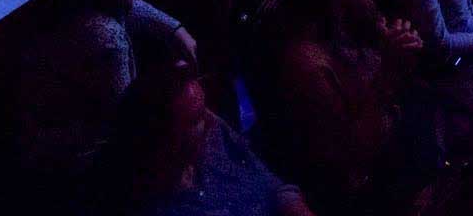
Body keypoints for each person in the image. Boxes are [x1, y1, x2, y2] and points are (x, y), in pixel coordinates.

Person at [19, 0, 198, 178]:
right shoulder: (107, 37)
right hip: (77, 158)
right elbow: (127, 124)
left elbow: (131, 7)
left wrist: (175, 29)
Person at [258, 0, 423, 212]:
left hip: (398, 132)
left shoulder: (357, 12)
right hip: (363, 184)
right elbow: (350, 152)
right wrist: (390, 69)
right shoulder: (306, 62)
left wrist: (404, 49)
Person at [96, 63, 315, 215]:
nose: (212, 120)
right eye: (196, 119)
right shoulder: (154, 204)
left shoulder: (214, 139)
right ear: (164, 141)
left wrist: (291, 202)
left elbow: (267, 180)